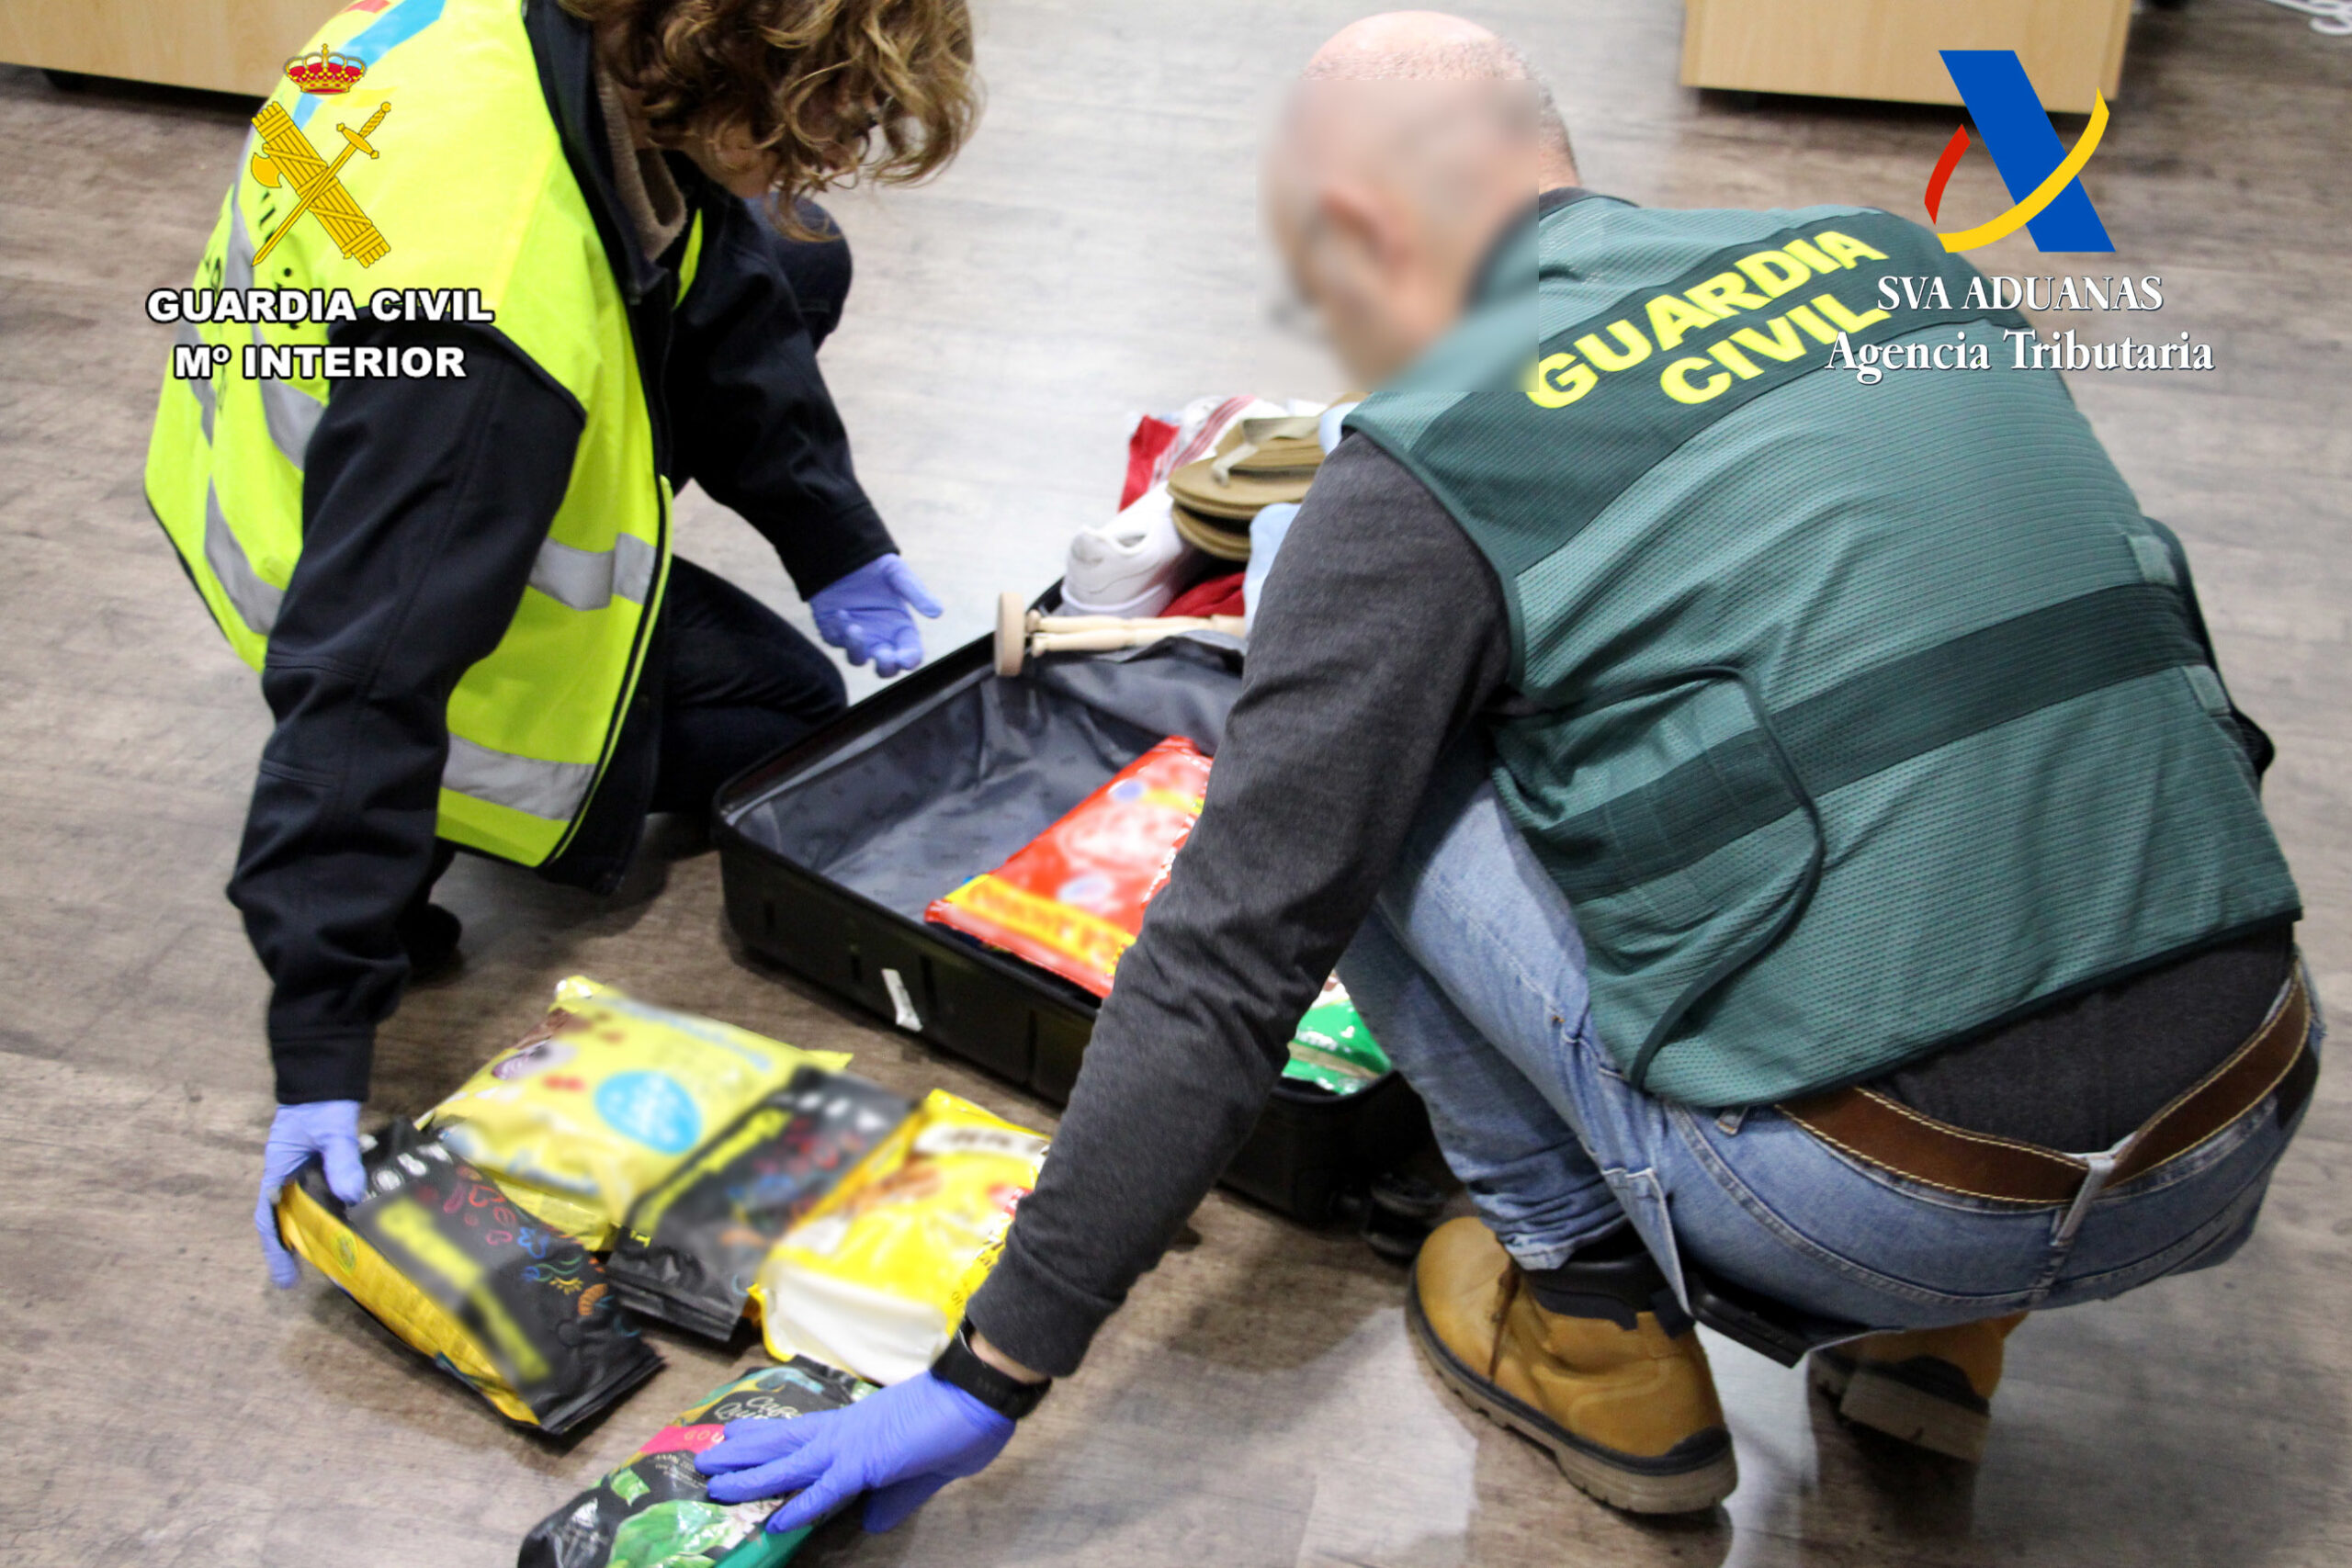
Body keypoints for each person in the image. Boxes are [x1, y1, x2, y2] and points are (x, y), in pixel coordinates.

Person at [692, 9, 2319, 1534]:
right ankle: (1942, 1349)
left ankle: (1593, 1326)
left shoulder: (1423, 463)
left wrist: (986, 1377)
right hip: (2241, 1111)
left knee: (1335, 715)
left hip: (1875, 1194)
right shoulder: (1898, 264)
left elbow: (1228, 956)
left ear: (1355, 234)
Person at [141, 0, 978, 1286]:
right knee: (782, 717)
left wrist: (829, 529)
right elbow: (362, 681)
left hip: (268, 443)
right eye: (825, 115)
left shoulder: (528, 38)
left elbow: (720, 278)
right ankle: (429, 834)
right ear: (727, 58)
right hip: (349, 559)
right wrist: (320, 1047)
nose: (829, 157)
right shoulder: (486, 339)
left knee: (790, 256)